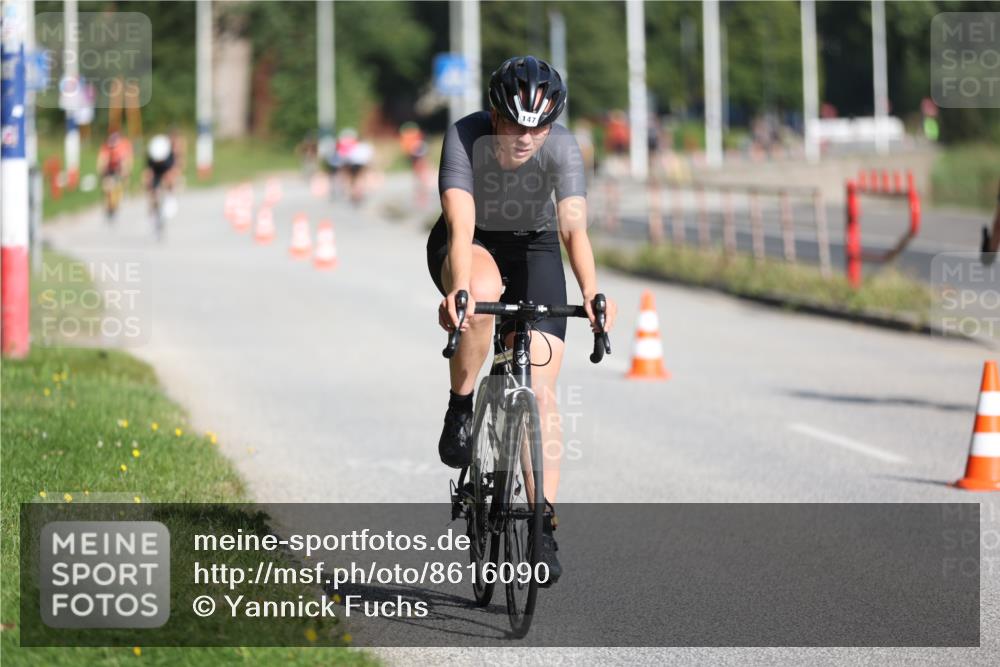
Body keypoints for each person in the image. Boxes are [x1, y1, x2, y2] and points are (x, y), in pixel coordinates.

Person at [426, 55, 618, 584]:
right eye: (515, 125)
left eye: (539, 126)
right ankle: (461, 406)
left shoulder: (560, 147)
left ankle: (542, 527)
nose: (527, 138)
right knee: (482, 294)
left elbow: (573, 231)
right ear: (494, 116)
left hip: (534, 249)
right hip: (474, 244)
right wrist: (459, 289)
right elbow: (460, 225)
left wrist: (594, 294)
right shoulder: (464, 138)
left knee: (542, 385)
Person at [144, 134, 178, 240]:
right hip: (155, 173)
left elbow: (172, 172)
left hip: (166, 171)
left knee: (169, 180)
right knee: (152, 193)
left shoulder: (169, 156)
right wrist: (149, 186)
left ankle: (170, 197)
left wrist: (169, 184)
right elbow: (148, 173)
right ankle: (153, 214)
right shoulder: (151, 157)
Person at [96, 131, 133, 220]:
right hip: (109, 168)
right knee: (107, 187)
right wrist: (102, 171)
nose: (112, 148)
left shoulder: (123, 147)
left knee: (121, 179)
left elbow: (127, 162)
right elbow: (101, 161)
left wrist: (124, 173)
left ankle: (123, 192)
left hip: (120, 167)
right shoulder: (105, 147)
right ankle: (109, 205)